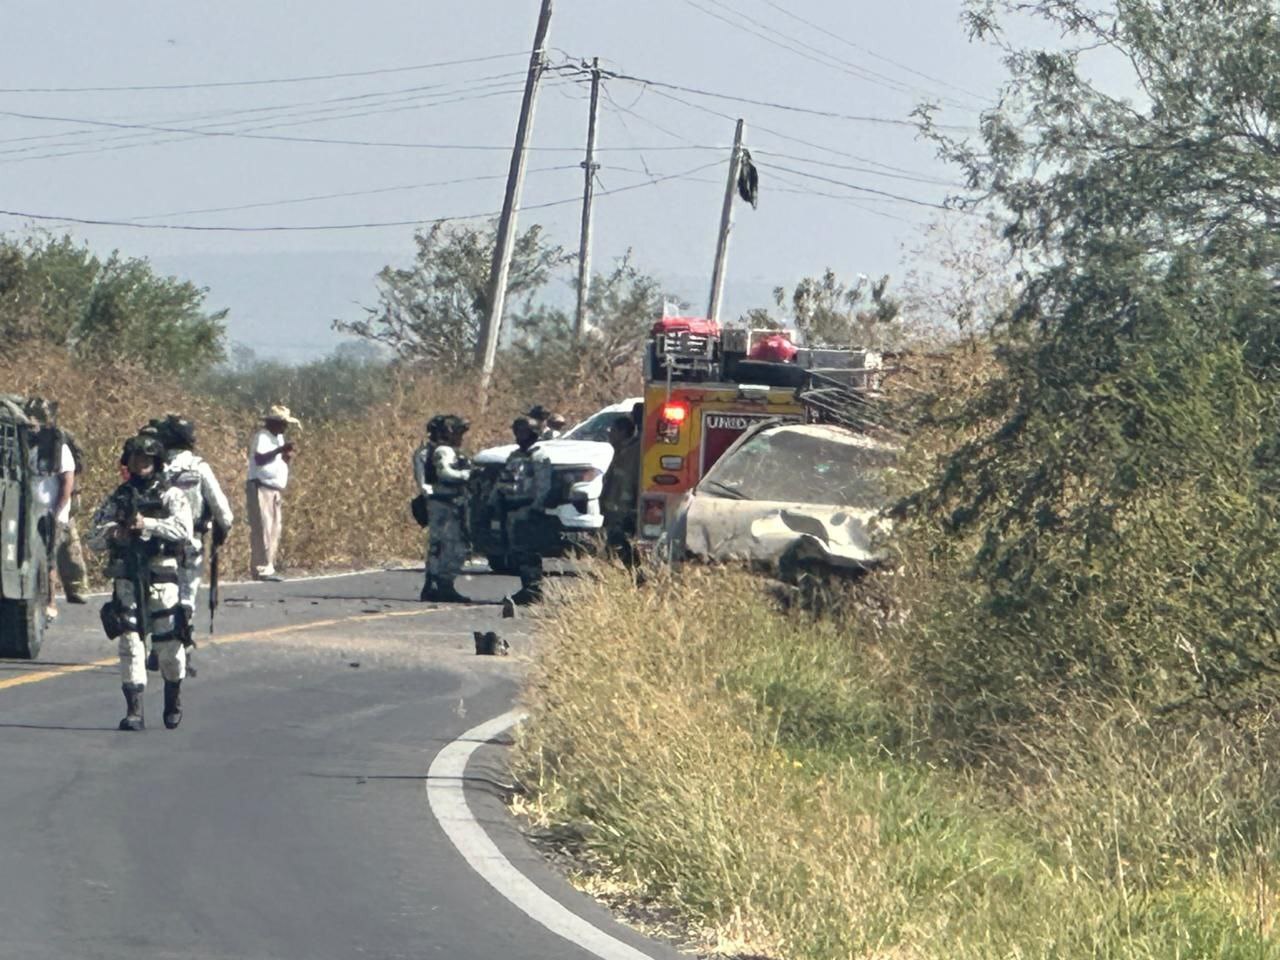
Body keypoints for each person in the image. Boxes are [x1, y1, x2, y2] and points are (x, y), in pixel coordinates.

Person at [88, 435, 194, 731]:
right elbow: (92, 536)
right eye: (135, 459)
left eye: (146, 459)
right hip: (127, 576)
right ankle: (134, 710)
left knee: (170, 646)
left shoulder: (171, 495)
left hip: (162, 575)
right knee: (130, 642)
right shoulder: (118, 497)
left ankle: (173, 696)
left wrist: (146, 524)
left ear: (156, 462)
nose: (141, 464)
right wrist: (115, 532)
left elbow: (183, 530)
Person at [160, 414, 233, 653]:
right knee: (186, 593)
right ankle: (181, 639)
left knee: (158, 590)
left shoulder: (154, 465)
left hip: (156, 540)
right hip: (191, 542)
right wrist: (223, 529)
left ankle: (158, 642)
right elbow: (222, 510)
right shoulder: (198, 467)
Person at [25, 397, 89, 616]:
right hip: (31, 511)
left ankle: (51, 601)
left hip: (53, 513)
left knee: (49, 557)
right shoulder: (26, 443)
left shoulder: (56, 446)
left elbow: (67, 482)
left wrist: (57, 511)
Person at [421, 415, 472, 603]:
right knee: (453, 547)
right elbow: (445, 473)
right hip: (445, 504)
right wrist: (469, 474)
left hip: (444, 503)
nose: (461, 436)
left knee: (439, 546)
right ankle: (443, 585)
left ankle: (434, 585)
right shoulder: (444, 451)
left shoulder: (442, 450)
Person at [494, 416, 544, 605]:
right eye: (517, 431)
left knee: (529, 552)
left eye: (522, 431)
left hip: (527, 509)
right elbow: (503, 481)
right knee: (517, 553)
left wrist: (535, 508)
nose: (518, 435)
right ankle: (527, 587)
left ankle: (533, 589)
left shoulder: (539, 456)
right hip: (511, 509)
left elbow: (543, 485)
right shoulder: (515, 456)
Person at [246, 405, 298, 582]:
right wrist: (279, 451)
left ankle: (268, 566)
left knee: (274, 528)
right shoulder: (262, 436)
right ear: (274, 423)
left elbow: (277, 461)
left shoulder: (279, 437)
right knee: (263, 528)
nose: (285, 427)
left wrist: (285, 457)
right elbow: (259, 459)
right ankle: (261, 569)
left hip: (274, 488)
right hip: (261, 486)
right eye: (283, 423)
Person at [599, 412, 642, 569]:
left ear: (622, 432)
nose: (610, 435)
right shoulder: (622, 451)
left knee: (621, 547)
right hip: (614, 512)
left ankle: (638, 576)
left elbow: (625, 484)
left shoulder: (630, 452)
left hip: (623, 513)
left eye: (613, 431)